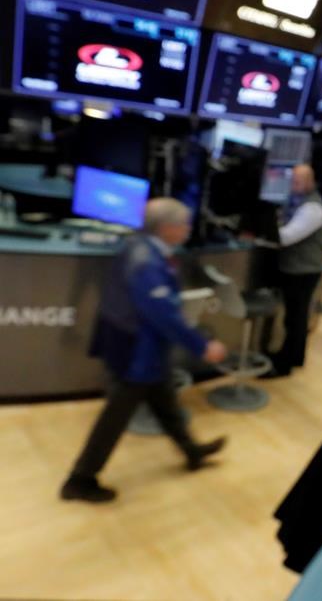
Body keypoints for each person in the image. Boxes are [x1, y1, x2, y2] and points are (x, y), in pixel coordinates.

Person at [61, 199, 229, 503]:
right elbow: (163, 314)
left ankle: (191, 451)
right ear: (167, 228)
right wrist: (203, 346)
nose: (188, 230)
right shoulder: (148, 263)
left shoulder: (138, 246)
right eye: (184, 224)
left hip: (139, 348)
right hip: (136, 352)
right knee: (115, 417)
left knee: (164, 401)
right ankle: (80, 479)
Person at [267, 164, 322, 377]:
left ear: (310, 181)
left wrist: (266, 231)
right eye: (292, 181)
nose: (293, 186)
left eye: (298, 182)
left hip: (304, 270)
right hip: (296, 267)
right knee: (294, 316)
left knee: (296, 317)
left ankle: (286, 364)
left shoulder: (313, 208)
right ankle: (294, 357)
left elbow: (287, 236)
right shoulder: (298, 201)